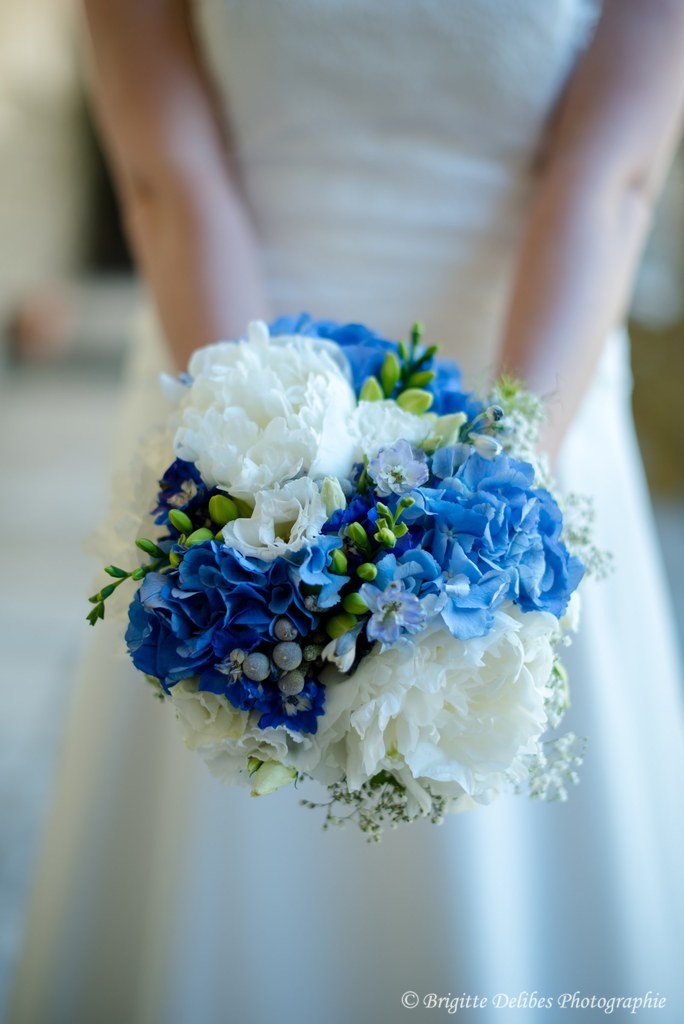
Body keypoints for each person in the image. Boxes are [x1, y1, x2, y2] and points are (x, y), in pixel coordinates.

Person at [11, 2, 684, 1022]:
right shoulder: (242, 437)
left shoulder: (511, 452)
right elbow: (168, 175)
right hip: (231, 349)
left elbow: (611, 178)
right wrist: (254, 479)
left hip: (537, 363)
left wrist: (496, 493)